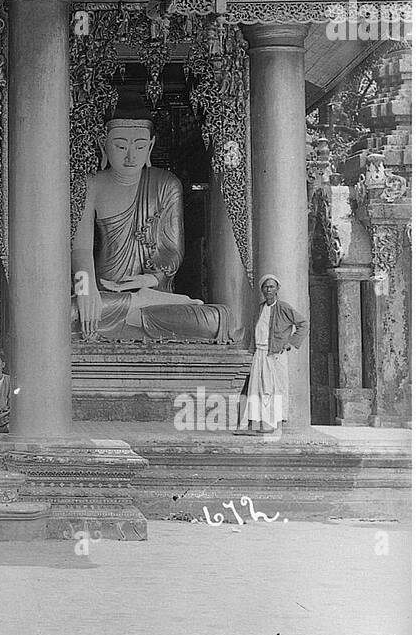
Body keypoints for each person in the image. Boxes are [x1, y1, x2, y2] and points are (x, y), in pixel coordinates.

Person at [72, 110, 230, 343]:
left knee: (213, 320)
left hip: (156, 295)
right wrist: (85, 290)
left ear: (151, 145)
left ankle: (145, 301)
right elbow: (80, 250)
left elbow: (172, 252)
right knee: (69, 314)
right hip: (102, 295)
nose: (130, 156)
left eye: (139, 146)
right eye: (120, 146)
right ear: (102, 145)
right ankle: (139, 304)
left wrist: (147, 281)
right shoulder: (91, 184)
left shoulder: (166, 184)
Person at [238, 275, 308, 434]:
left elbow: (303, 324)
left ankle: (272, 424)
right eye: (265, 287)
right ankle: (255, 423)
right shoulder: (260, 308)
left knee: (273, 389)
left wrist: (290, 343)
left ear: (277, 289)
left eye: (271, 287)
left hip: (275, 355)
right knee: (256, 388)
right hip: (260, 354)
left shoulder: (283, 307)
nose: (268, 290)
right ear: (262, 290)